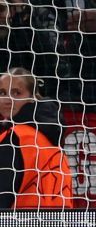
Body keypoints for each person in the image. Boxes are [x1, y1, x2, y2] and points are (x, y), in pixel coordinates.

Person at [0, 68, 72, 211]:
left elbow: (3, 195)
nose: (8, 99)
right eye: (2, 93)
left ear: (33, 97)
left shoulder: (17, 137)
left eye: (17, 93)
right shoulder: (51, 136)